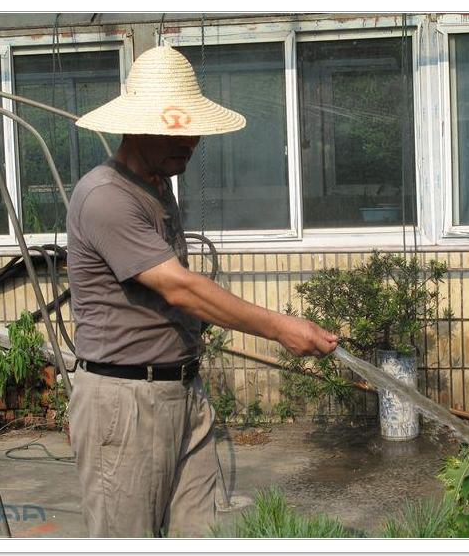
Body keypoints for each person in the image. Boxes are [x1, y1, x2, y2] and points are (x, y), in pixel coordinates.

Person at [66, 45, 338, 538]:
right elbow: (179, 288)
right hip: (124, 403)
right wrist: (280, 328)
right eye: (177, 130)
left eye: (193, 130)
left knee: (200, 535)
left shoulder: (158, 185)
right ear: (136, 127)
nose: (190, 142)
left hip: (182, 390)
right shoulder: (106, 196)